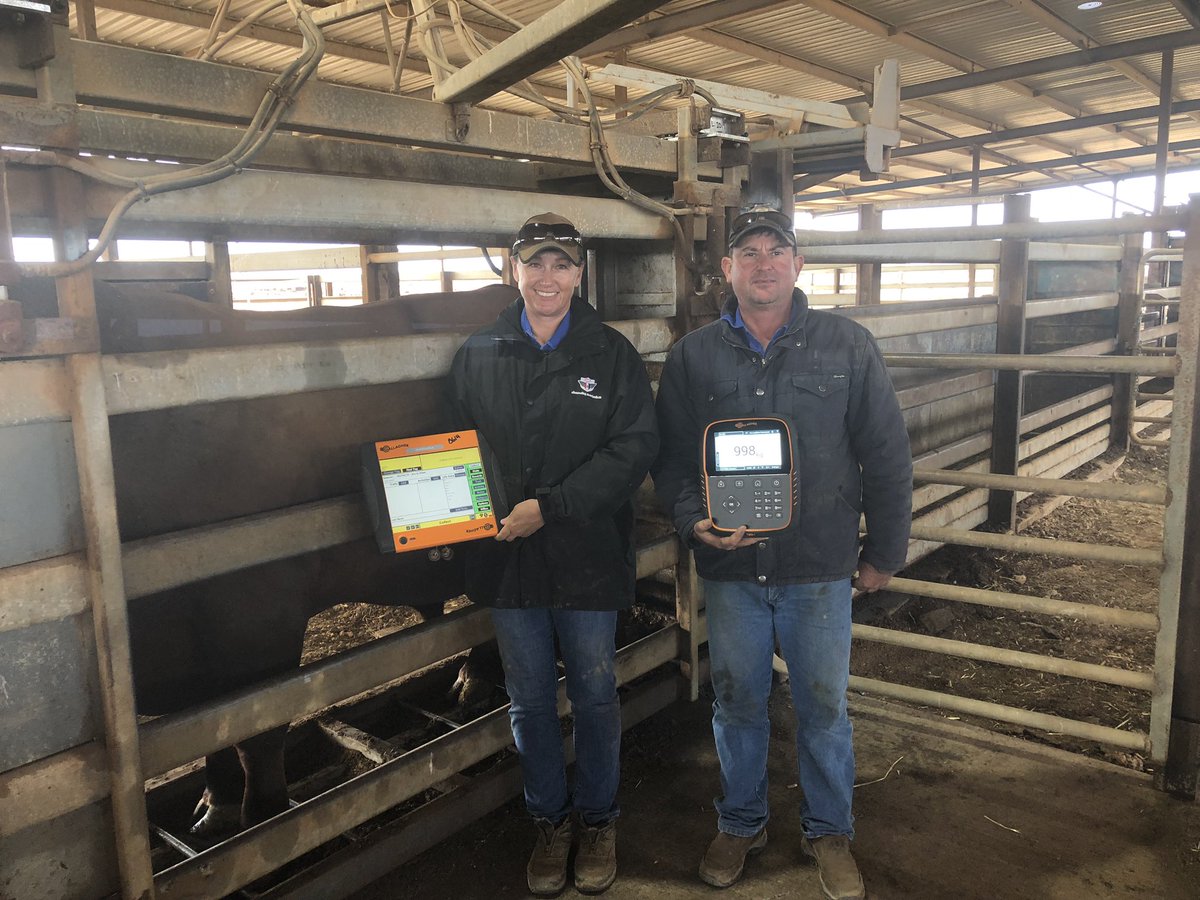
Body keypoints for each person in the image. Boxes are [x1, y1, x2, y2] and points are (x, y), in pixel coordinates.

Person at [652, 206, 912, 900]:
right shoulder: (693, 356)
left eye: (777, 250)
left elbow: (886, 453)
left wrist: (884, 550)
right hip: (732, 570)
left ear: (798, 265)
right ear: (727, 269)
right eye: (749, 252)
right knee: (737, 700)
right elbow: (673, 461)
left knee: (824, 705)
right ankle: (741, 821)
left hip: (819, 565)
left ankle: (829, 831)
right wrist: (690, 521)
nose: (763, 263)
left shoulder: (848, 346)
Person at [448, 212, 659, 896]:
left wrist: (553, 506)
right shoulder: (479, 352)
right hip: (508, 560)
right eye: (534, 263)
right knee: (530, 699)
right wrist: (443, 521)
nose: (548, 277)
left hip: (588, 555)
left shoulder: (612, 354)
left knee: (595, 694)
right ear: (514, 269)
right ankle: (549, 821)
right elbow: (453, 450)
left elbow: (633, 448)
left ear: (579, 273)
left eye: (561, 264)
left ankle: (597, 819)